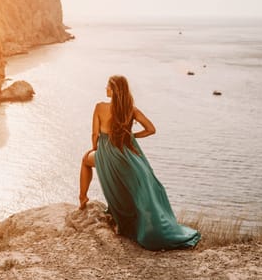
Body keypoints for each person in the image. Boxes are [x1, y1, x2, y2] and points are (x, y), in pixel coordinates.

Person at [79, 75, 201, 250]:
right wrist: (132, 136)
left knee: (85, 160)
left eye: (107, 86)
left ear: (113, 90)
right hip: (126, 155)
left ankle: (82, 198)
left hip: (106, 153)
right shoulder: (131, 110)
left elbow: (95, 135)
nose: (105, 88)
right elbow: (151, 129)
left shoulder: (99, 107)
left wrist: (94, 149)